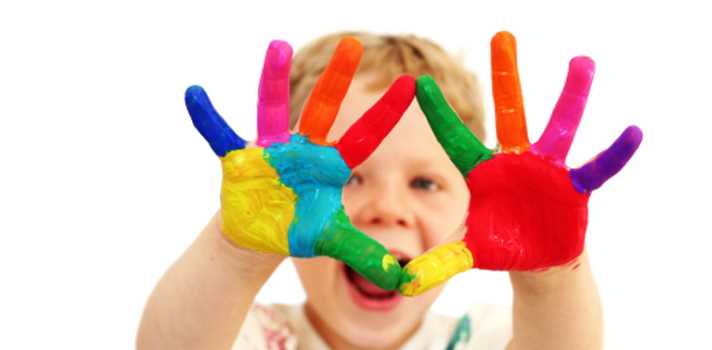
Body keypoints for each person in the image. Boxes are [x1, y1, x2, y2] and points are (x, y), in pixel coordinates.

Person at [138, 31, 612, 350]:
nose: (388, 209)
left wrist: (551, 277)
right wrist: (237, 253)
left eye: (425, 182)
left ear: (472, 209)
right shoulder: (256, 335)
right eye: (346, 178)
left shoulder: (479, 337)